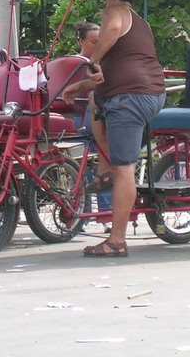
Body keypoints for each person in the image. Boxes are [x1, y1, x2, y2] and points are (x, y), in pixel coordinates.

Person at [63, 0, 166, 258]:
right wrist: (83, 84)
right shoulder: (141, 23)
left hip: (130, 97)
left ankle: (116, 240)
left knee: (124, 169)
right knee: (97, 103)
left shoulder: (115, 11)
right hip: (149, 93)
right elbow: (119, 67)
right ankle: (106, 166)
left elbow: (110, 31)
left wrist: (92, 61)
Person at [74, 21, 112, 234]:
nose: (98, 47)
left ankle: (105, 214)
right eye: (94, 42)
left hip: (95, 116)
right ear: (81, 41)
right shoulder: (77, 63)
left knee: (103, 157)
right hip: (79, 118)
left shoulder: (102, 63)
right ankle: (81, 213)